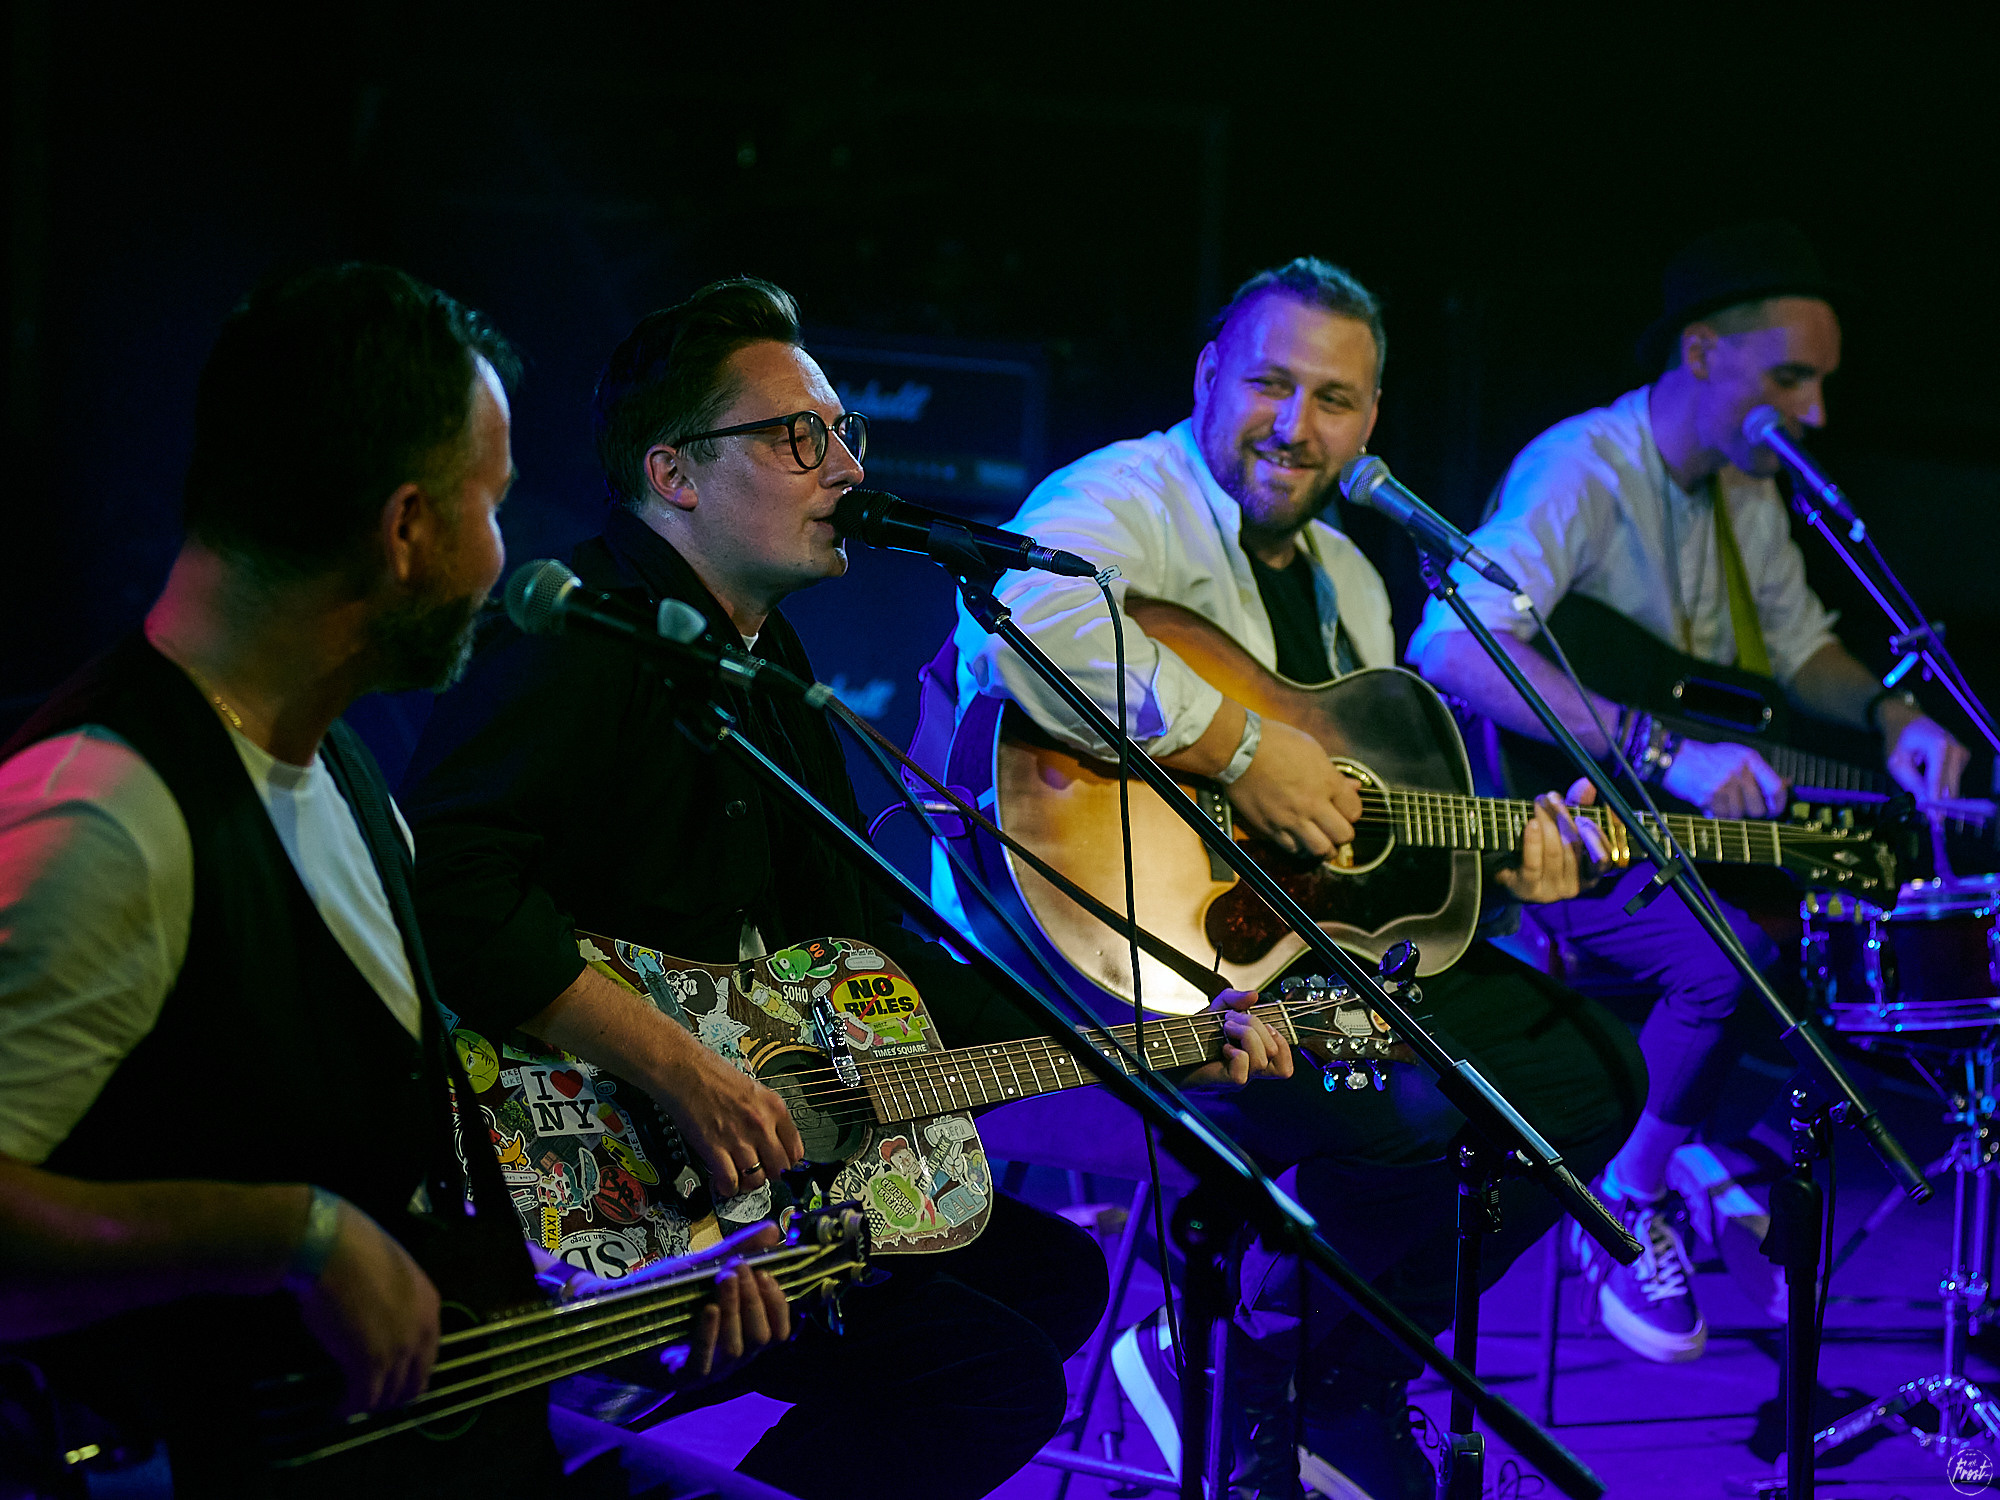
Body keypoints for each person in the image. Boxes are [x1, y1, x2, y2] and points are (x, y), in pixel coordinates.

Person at [399, 276, 1269, 1500]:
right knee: (985, 1377)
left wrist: (1158, 1036)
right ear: (675, 473)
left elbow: (870, 964)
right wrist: (680, 1068)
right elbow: (445, 892)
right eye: (798, 438)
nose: (846, 470)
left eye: (844, 436)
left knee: (1045, 1278)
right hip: (587, 1180)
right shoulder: (575, 637)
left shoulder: (767, 665)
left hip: (754, 1177)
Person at [0, 266, 803, 1499]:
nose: (504, 556)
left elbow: (383, 1185)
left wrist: (618, 1302)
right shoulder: (105, 809)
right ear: (406, 529)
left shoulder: (349, 782)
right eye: (491, 506)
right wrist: (292, 1237)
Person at [940, 257, 1647, 1500]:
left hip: (1266, 966)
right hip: (1077, 975)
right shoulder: (1119, 496)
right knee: (1414, 1111)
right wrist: (1241, 747)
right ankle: (1241, 1346)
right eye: (1269, 383)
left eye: (1333, 399)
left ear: (1372, 423)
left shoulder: (1354, 580)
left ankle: (1316, 1370)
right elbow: (1021, 624)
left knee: (1590, 1071)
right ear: (1209, 378)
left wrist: (1523, 872)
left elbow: (1360, 860)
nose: (1294, 425)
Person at [1407, 219, 1970, 1364]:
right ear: (1701, 353)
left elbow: (1804, 647)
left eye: (1820, 383)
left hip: (1686, 824)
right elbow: (1450, 647)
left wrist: (1888, 714)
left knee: (1866, 929)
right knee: (1727, 962)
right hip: (1563, 827)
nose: (1813, 411)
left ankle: (1712, 1148)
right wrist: (1663, 754)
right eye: (1788, 377)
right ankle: (1626, 1195)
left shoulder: (1742, 489)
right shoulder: (1580, 468)